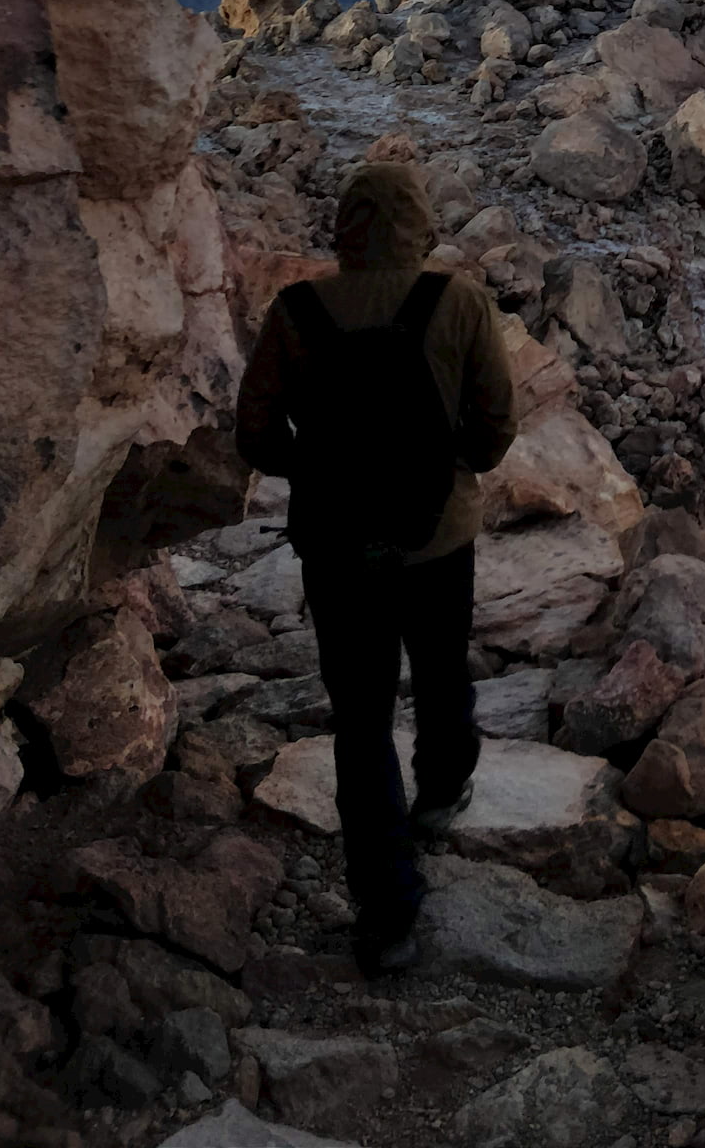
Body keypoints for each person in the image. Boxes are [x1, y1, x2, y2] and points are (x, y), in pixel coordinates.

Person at [236, 160, 515, 973]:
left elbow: (254, 435)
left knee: (359, 720)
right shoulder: (457, 299)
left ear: (342, 228)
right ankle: (440, 793)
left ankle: (388, 916)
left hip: (336, 547)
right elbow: (497, 425)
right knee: (438, 666)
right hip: (438, 537)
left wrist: (320, 474)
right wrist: (447, 466)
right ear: (423, 224)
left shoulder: (295, 311)